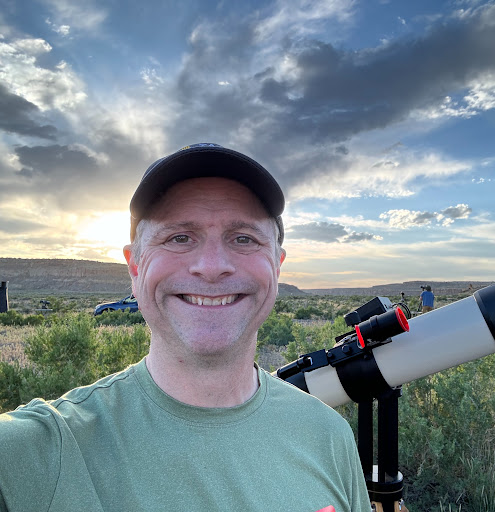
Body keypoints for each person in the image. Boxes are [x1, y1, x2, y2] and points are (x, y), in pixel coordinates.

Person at [0, 143, 371, 512]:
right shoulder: (37, 452)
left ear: (277, 265)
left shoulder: (329, 435)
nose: (211, 266)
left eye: (244, 238)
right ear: (135, 266)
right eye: (179, 237)